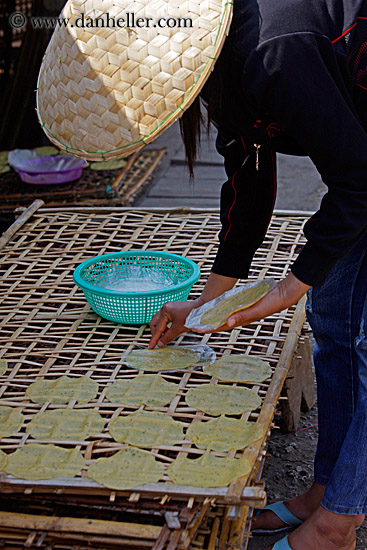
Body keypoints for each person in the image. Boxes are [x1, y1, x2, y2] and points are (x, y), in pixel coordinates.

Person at [148, 0, 367, 548]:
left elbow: (358, 182)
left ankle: (339, 523)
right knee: (334, 319)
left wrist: (287, 287)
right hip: (362, 154)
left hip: (363, 166)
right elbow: (249, 189)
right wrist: (202, 308)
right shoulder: (221, 70)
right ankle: (323, 491)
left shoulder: (274, 53)